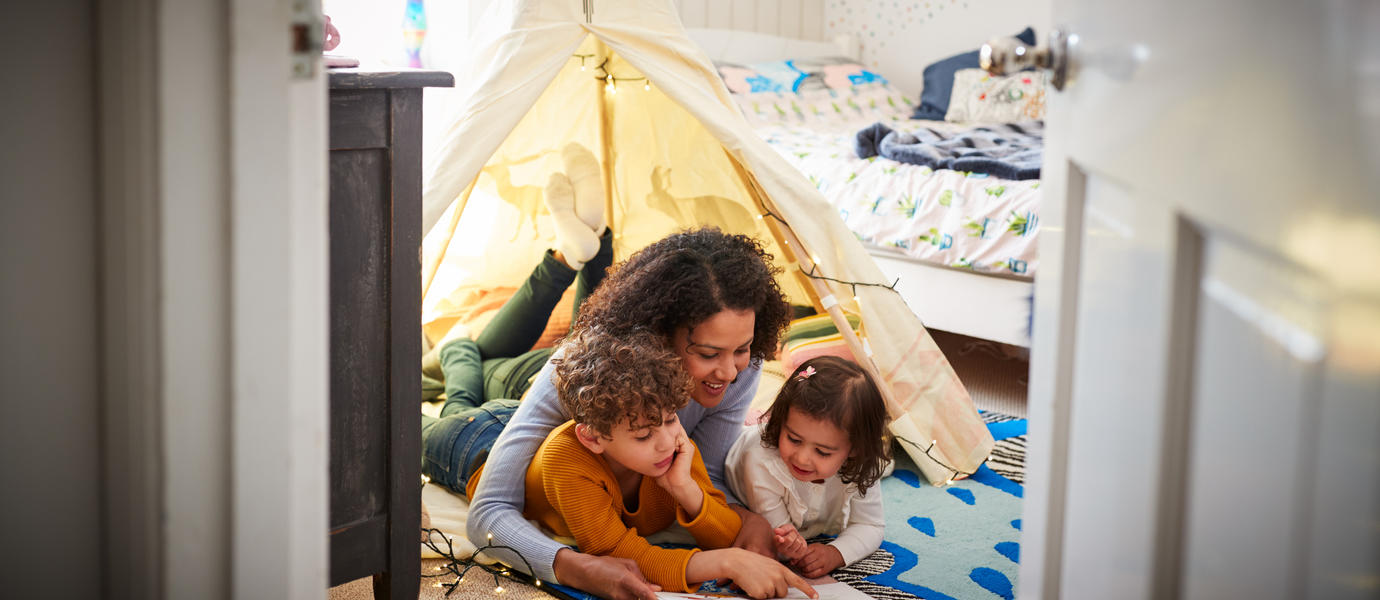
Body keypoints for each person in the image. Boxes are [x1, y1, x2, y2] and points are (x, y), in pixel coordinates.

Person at [423, 144, 794, 599]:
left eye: (743, 349)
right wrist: (573, 566)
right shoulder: (580, 371)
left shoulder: (737, 369)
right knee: (441, 410)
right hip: (489, 432)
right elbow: (489, 514)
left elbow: (706, 478)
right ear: (660, 334)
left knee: (469, 385)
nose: (732, 373)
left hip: (590, 456)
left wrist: (745, 519)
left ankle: (465, 354)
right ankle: (460, 351)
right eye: (708, 353)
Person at [464, 327, 814, 599]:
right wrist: (725, 562)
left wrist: (685, 489)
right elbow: (616, 552)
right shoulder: (568, 458)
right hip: (475, 443)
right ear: (593, 437)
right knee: (442, 414)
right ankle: (459, 349)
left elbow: (724, 531)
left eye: (670, 419)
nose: (666, 442)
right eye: (643, 436)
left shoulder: (675, 448)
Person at [421, 142, 613, 496]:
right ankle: (570, 254)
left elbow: (461, 361)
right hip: (539, 377)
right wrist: (460, 370)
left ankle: (588, 246)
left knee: (592, 333)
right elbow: (459, 354)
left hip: (551, 372)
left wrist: (459, 355)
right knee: (466, 350)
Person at [725, 356, 892, 578]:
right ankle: (755, 418)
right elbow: (776, 538)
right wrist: (789, 545)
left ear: (855, 448)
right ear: (781, 422)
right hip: (738, 454)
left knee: (882, 464)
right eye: (794, 439)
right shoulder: (760, 460)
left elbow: (871, 525)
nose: (802, 458)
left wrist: (836, 553)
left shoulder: (863, 464)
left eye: (822, 452)